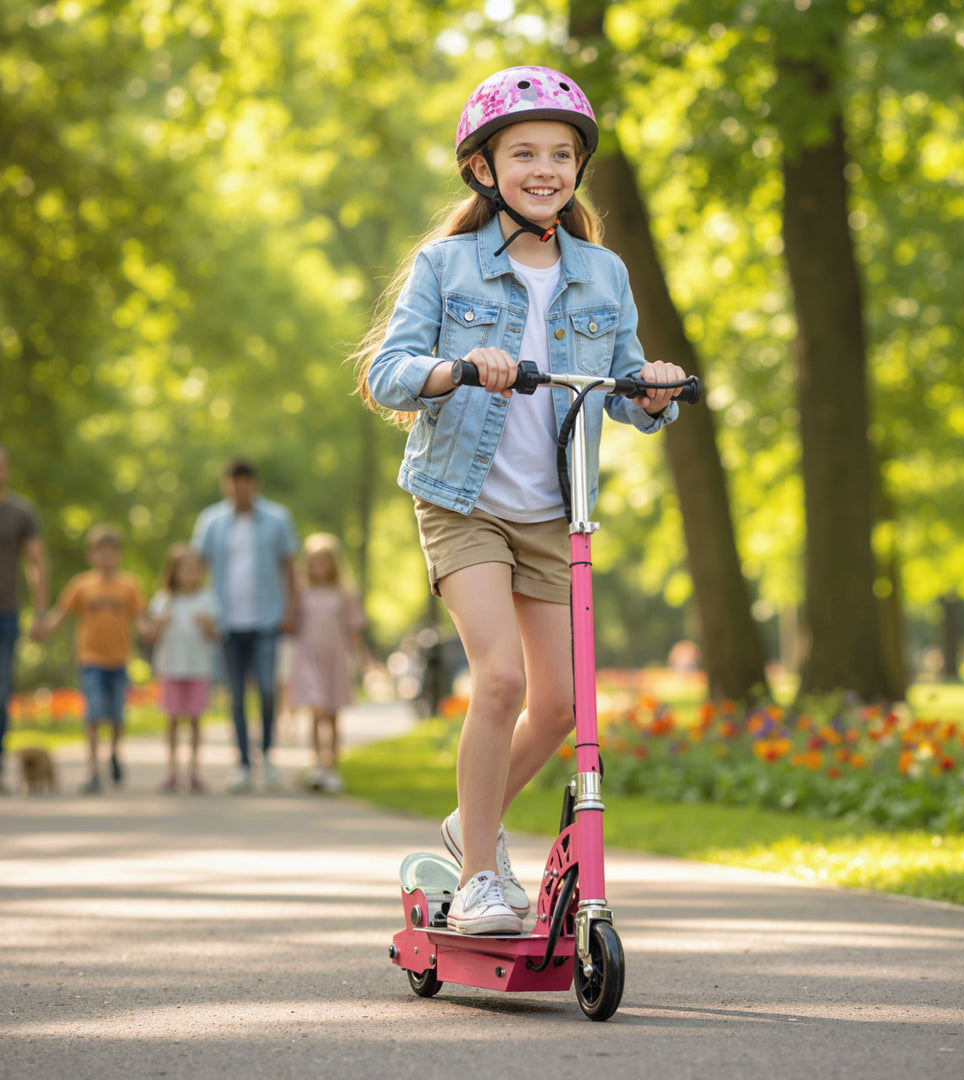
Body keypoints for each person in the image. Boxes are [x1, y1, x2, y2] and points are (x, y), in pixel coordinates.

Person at [354, 67, 686, 934]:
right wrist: (457, 367)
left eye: (562, 155)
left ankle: (472, 825)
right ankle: (477, 879)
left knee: (564, 707)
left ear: (579, 168)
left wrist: (652, 389)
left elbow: (625, 392)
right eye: (525, 153)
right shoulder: (446, 264)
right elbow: (387, 374)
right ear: (484, 167)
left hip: (554, 508)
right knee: (499, 678)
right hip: (462, 500)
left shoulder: (603, 273)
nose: (546, 169)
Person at [191, 458, 299, 793]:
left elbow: (290, 567)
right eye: (234, 484)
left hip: (267, 619)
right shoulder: (210, 521)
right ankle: (241, 763)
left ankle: (266, 756)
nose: (240, 489)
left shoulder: (277, 519)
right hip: (226, 623)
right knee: (236, 696)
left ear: (254, 484)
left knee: (267, 690)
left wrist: (291, 610)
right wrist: (200, 611)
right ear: (226, 485)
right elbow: (196, 568)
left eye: (245, 483)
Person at [36, 524, 148, 794]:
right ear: (91, 555)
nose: (106, 557)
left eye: (111, 551)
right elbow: (61, 613)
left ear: (119, 554)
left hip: (119, 659)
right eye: (101, 551)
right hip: (91, 660)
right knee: (93, 714)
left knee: (117, 715)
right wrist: (44, 629)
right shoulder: (81, 585)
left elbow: (141, 618)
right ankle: (94, 770)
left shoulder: (129, 585)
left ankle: (114, 753)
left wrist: (150, 630)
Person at [289, 533, 369, 794]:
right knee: (316, 711)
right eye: (313, 562)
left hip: (335, 660)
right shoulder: (301, 592)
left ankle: (332, 767)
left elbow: (353, 630)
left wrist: (364, 660)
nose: (318, 568)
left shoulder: (344, 593)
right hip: (309, 659)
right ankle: (316, 765)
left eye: (323, 562)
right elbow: (291, 623)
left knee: (333, 715)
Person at [144, 543, 218, 793]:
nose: (189, 575)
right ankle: (172, 771)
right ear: (173, 572)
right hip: (171, 667)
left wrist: (207, 624)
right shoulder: (163, 600)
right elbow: (150, 635)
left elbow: (215, 636)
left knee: (196, 720)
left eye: (193, 569)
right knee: (172, 719)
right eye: (184, 569)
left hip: (198, 668)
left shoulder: (206, 599)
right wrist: (160, 623)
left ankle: (194, 771)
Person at [0, 445, 50, 795]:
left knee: (1, 689)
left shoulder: (21, 512)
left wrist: (41, 611)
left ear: (7, 470)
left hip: (7, 611)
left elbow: (36, 562)